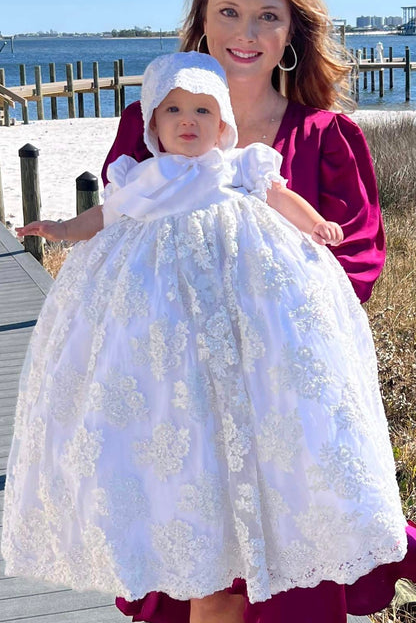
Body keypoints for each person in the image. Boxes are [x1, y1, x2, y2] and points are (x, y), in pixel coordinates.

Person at [2, 52, 415, 623]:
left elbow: (279, 196)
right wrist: (61, 229)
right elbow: (105, 216)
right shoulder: (143, 177)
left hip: (245, 327)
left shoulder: (238, 166)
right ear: (152, 123)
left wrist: (313, 223)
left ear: (222, 121)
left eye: (202, 109)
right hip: (174, 337)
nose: (187, 120)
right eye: (172, 109)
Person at [102, 0, 386, 307]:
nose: (246, 34)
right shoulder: (146, 125)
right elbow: (115, 239)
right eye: (228, 12)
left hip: (287, 351)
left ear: (291, 31)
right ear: (203, 19)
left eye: (268, 16)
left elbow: (355, 261)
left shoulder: (328, 139)